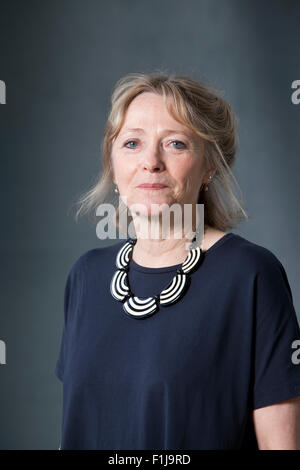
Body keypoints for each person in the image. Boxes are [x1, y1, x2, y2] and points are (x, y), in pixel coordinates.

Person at [55, 72, 300, 450]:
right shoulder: (87, 277)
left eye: (175, 143)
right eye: (132, 143)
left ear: (210, 165)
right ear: (113, 165)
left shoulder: (250, 276)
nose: (151, 162)